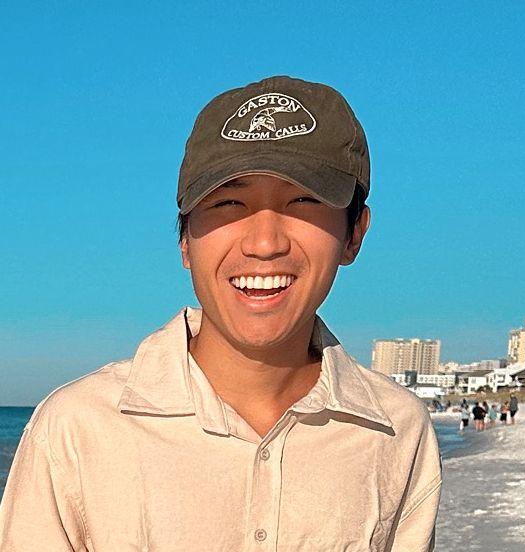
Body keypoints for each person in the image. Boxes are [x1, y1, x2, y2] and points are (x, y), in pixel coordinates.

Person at [0, 76, 442, 551]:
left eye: (304, 201)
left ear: (354, 234)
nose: (265, 243)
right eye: (228, 202)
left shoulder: (397, 429)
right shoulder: (77, 428)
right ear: (185, 240)